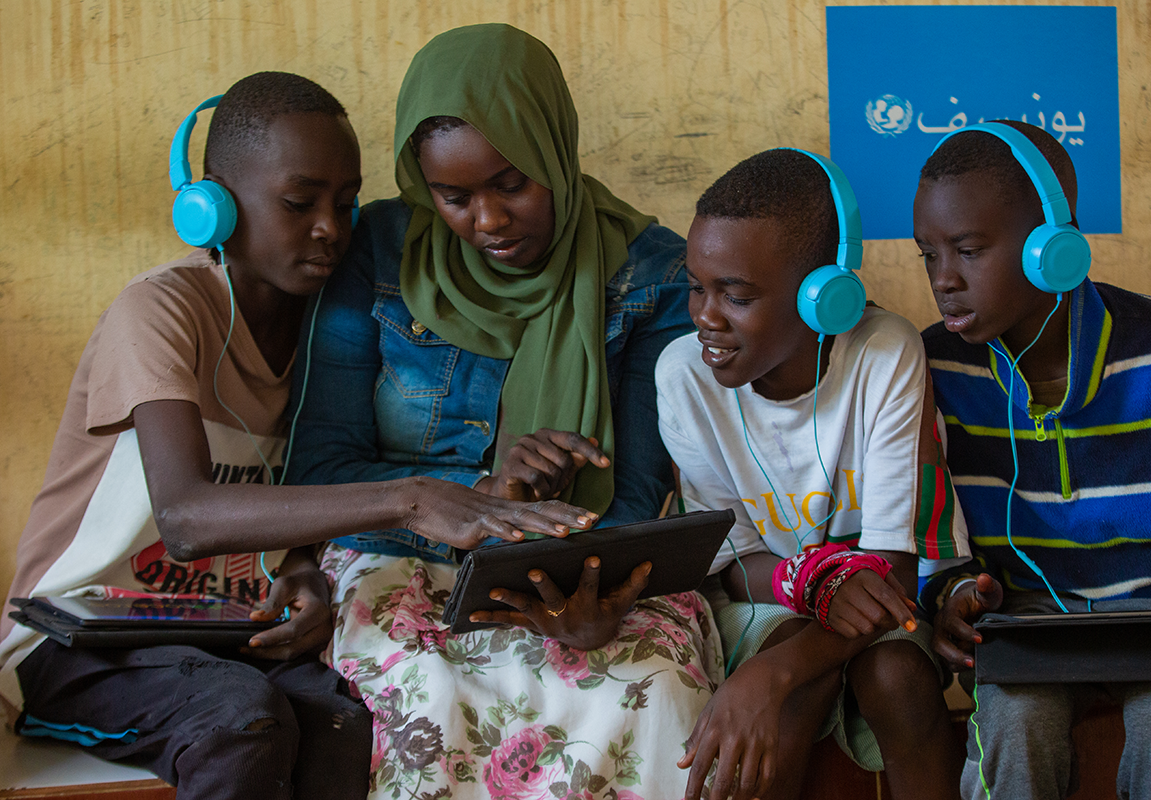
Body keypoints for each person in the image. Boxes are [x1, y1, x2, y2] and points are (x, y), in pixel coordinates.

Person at [0, 72, 593, 800]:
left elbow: (304, 493)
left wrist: (304, 573)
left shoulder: (322, 330)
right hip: (80, 642)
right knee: (240, 723)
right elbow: (187, 517)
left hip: (224, 635)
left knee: (348, 721)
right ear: (211, 205)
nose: (331, 229)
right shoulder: (160, 312)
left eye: (346, 204)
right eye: (298, 203)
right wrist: (409, 498)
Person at [286, 24, 721, 800]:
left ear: (555, 153)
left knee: (652, 687)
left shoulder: (651, 276)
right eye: (454, 197)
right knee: (428, 696)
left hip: (571, 575)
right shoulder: (375, 253)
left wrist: (584, 597)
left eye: (511, 185)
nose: (486, 221)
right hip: (396, 560)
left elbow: (630, 499)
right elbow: (318, 472)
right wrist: (481, 487)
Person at [656, 148, 970, 800]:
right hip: (769, 600)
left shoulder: (883, 353)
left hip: (890, 602)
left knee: (895, 678)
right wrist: (809, 583)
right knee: (795, 657)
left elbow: (896, 571)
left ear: (824, 298)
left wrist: (768, 676)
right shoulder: (682, 375)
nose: (705, 318)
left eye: (735, 296)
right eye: (696, 287)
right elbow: (733, 564)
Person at [915, 120, 1151, 799]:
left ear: (1054, 249)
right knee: (1012, 727)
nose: (943, 279)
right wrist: (953, 592)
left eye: (968, 250)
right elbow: (928, 529)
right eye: (928, 255)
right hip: (1027, 626)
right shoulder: (930, 368)